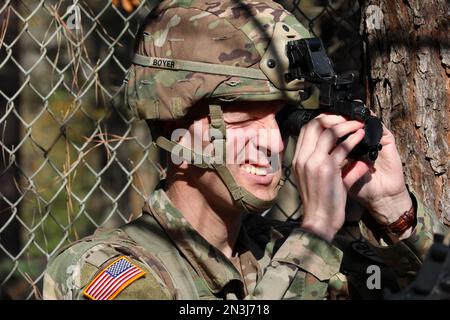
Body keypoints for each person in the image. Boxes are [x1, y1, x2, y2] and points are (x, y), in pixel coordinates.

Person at [43, 0, 446, 300]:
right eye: (241, 121)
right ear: (174, 127)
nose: (271, 142)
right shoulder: (109, 271)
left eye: (280, 119)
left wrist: (395, 213)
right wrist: (315, 232)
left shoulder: (292, 252)